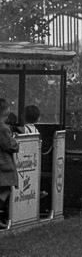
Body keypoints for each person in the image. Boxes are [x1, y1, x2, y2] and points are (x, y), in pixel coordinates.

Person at [0, 98, 19, 229]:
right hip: (3, 164)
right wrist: (15, 142)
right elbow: (9, 145)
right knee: (5, 190)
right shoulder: (3, 128)